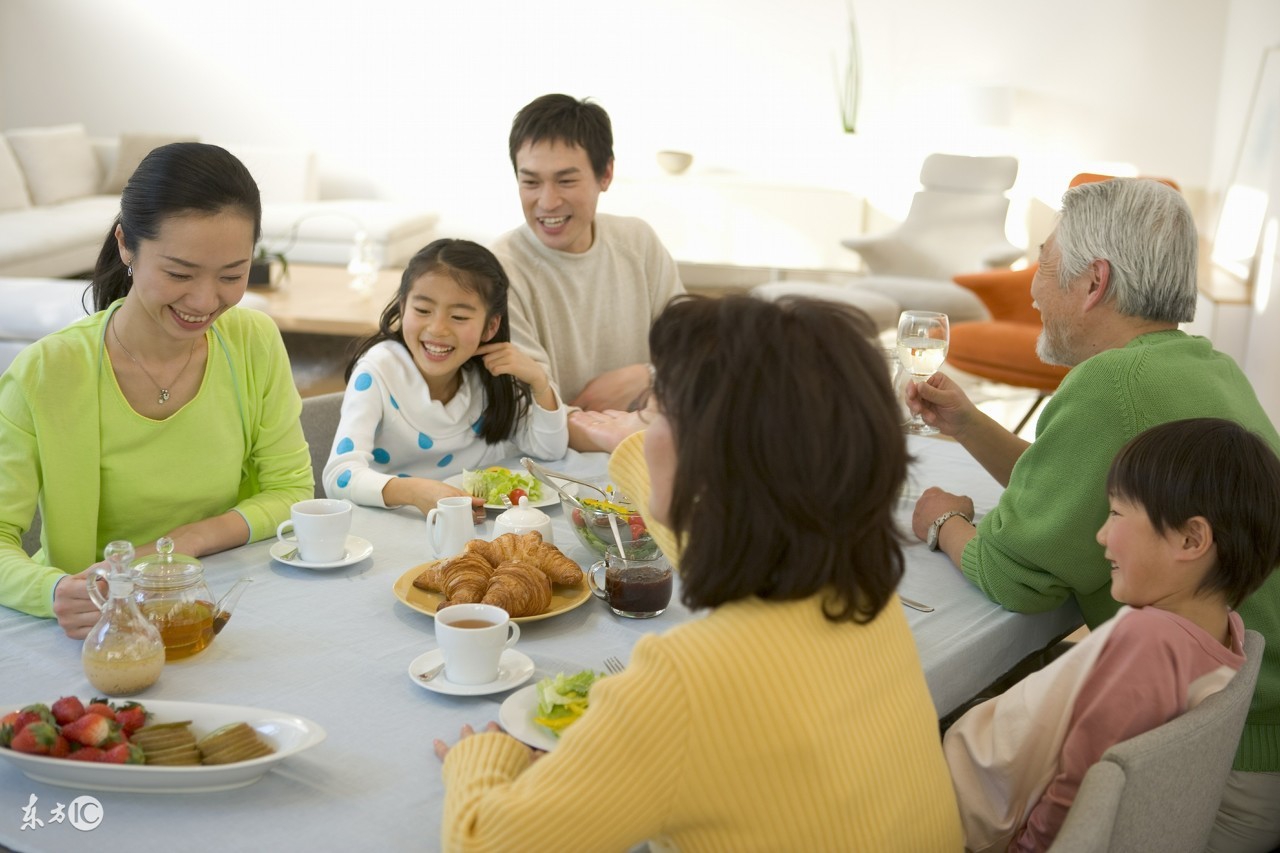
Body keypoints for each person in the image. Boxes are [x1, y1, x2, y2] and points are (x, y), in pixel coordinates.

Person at [433, 294, 963, 851]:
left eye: (654, 412)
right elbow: (725, 528)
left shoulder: (683, 682)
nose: (643, 424)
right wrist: (645, 450)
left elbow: (482, 843)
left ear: (711, 463)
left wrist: (480, 758)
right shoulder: (865, 597)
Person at [907, 177, 1280, 851]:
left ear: (1093, 281)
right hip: (1246, 727)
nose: (1031, 289)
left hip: (1212, 776)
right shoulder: (1204, 364)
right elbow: (1068, 481)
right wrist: (968, 423)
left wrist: (941, 521)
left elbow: (1011, 575)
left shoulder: (1110, 385)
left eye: (1043, 264)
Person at [0, 142, 314, 639]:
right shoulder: (47, 371)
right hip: (101, 619)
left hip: (225, 600)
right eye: (178, 273)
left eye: (232, 275)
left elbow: (290, 490)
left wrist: (179, 544)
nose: (205, 301)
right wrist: (53, 590)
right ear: (126, 244)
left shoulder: (253, 340)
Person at [945, 418, 1280, 852]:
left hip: (965, 807)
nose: (1102, 535)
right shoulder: (1224, 631)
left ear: (1191, 538)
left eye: (1117, 513)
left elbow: (1080, 790)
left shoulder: (1148, 645)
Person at [490, 93, 685, 451]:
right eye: (530, 182)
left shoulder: (637, 242)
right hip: (554, 458)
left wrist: (645, 375)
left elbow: (694, 357)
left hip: (648, 443)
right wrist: (628, 432)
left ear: (605, 174)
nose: (547, 202)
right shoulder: (499, 270)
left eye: (566, 181)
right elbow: (532, 414)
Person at [322, 239, 567, 521]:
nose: (437, 329)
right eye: (423, 310)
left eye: (459, 316)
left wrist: (539, 380)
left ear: (490, 326)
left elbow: (550, 450)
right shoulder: (378, 370)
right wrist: (415, 492)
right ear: (402, 307)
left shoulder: (487, 374)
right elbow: (339, 476)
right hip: (395, 527)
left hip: (478, 532)